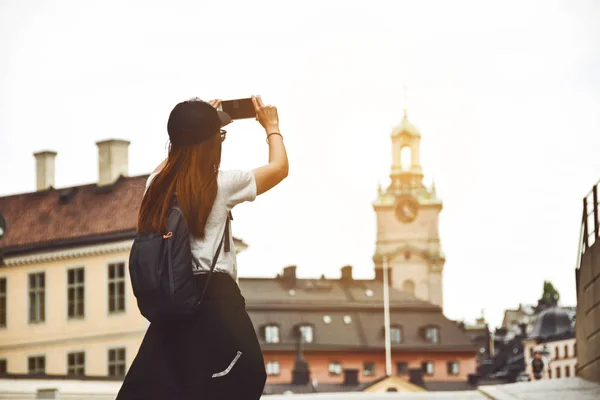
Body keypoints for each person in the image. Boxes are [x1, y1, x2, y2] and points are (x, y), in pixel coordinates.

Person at [116, 96, 288, 400]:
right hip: (214, 299)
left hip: (174, 297)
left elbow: (173, 160)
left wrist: (195, 121)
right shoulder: (219, 185)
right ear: (212, 143)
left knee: (174, 384)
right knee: (244, 372)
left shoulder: (155, 185)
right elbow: (279, 168)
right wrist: (271, 127)